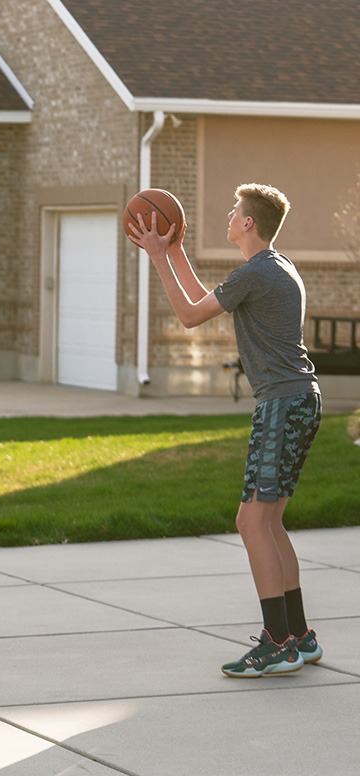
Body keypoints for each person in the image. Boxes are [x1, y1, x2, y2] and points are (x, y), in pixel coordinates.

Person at [129, 183, 322, 678]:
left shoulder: (257, 272)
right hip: (298, 398)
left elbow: (189, 315)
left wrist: (156, 257)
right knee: (270, 522)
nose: (229, 214)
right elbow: (201, 297)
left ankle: (277, 642)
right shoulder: (273, 268)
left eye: (235, 210)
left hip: (281, 403)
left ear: (249, 223)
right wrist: (172, 251)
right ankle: (298, 636)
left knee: (251, 522)